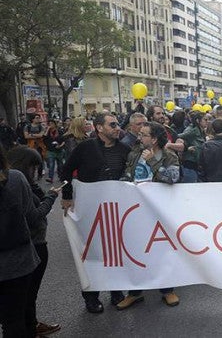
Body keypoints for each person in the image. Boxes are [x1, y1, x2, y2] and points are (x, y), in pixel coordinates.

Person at [60, 113, 131, 313]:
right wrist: (67, 196)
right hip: (90, 210)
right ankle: (91, 296)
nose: (118, 128)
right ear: (99, 128)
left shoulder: (125, 149)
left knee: (115, 253)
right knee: (92, 253)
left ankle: (116, 291)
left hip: (116, 211)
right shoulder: (85, 148)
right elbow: (65, 171)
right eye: (113, 124)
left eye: (117, 124)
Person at [116, 121, 181, 310]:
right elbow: (128, 174)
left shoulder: (168, 155)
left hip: (158, 210)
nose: (139, 137)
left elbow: (172, 178)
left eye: (144, 135)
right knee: (136, 250)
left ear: (153, 139)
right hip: (135, 209)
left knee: (161, 250)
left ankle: (167, 290)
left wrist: (152, 161)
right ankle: (134, 293)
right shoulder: (135, 152)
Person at [0, 146, 62, 337]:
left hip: (15, 258)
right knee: (16, 317)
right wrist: (51, 197)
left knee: (11, 316)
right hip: (17, 259)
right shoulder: (15, 179)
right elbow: (33, 217)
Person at [169, 112, 207, 183]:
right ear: (198, 121)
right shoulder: (192, 130)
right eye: (205, 120)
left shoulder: (201, 131)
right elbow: (178, 136)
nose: (207, 122)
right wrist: (187, 148)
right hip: (190, 163)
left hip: (196, 162)